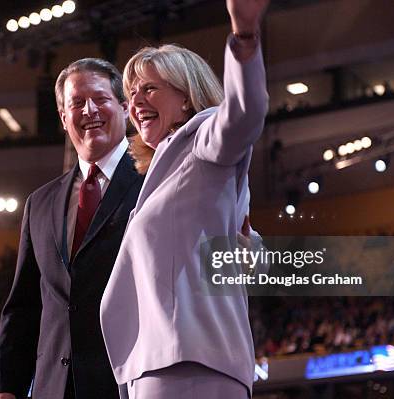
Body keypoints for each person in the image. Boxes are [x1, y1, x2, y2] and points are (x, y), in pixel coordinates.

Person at [100, 0, 269, 398]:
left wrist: (244, 38)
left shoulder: (203, 138)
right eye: (131, 93)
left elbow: (244, 115)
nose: (135, 101)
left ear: (187, 97)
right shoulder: (162, 171)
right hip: (156, 367)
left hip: (188, 364)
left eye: (150, 89)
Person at [0, 58, 144, 399]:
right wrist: (6, 389)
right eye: (76, 103)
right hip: (52, 389)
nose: (89, 110)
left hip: (126, 383)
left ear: (124, 107)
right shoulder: (39, 203)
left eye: (100, 99)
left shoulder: (154, 183)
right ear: (64, 118)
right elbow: (24, 304)